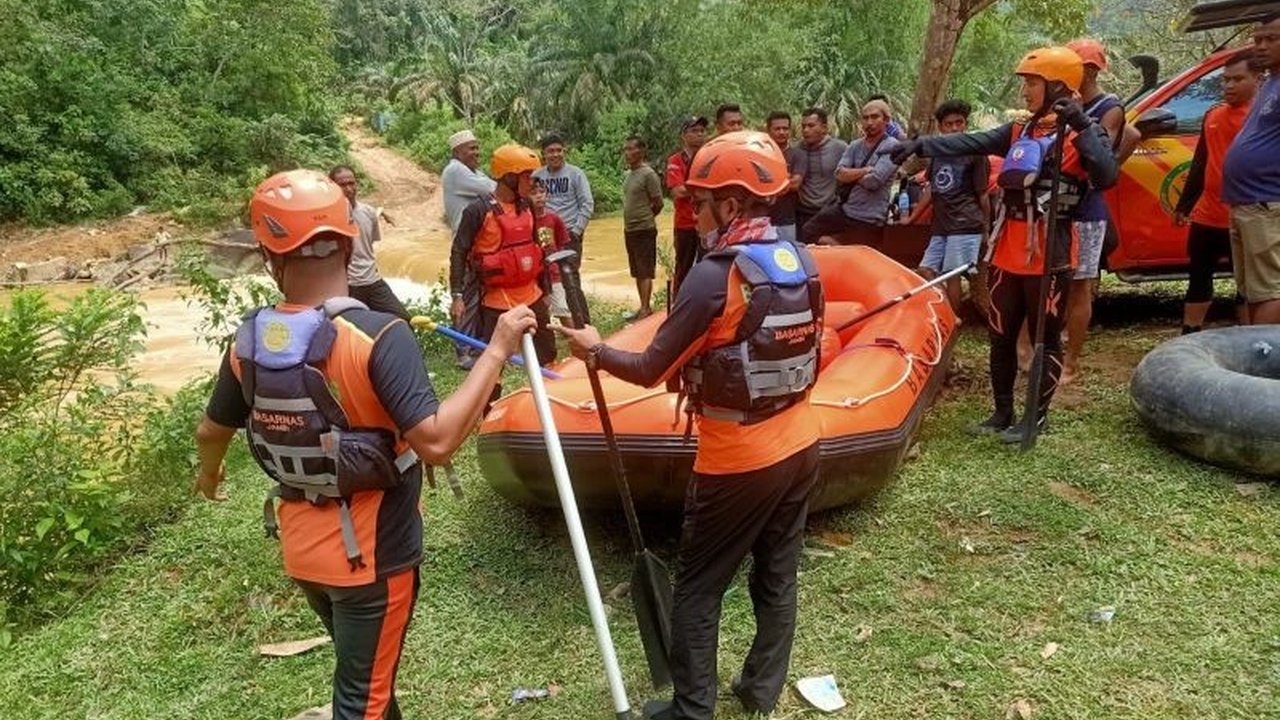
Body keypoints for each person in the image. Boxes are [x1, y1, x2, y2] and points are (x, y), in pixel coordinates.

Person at [193, 169, 537, 720]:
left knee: (371, 677)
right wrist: (496, 349)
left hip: (304, 550)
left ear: (268, 256)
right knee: (362, 702)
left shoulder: (248, 341)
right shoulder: (379, 334)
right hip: (373, 558)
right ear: (351, 239)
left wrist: (208, 476)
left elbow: (213, 432)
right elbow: (439, 441)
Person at [558, 131, 823, 720]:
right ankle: (759, 690)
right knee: (777, 575)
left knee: (698, 589)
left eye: (701, 202)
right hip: (801, 442)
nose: (694, 212)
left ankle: (691, 710)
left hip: (739, 459)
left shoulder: (714, 275)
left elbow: (650, 367)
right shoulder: (799, 260)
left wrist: (596, 350)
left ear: (730, 204)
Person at [892, 46, 1119, 441]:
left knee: (1045, 337)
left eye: (1032, 83)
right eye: (1026, 83)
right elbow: (969, 142)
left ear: (1058, 86)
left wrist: (1082, 124)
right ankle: (1002, 412)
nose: (1025, 91)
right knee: (1001, 334)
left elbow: (1106, 174)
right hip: (1007, 248)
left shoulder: (1083, 133)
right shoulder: (1020, 131)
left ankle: (1036, 418)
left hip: (1052, 251)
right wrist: (921, 146)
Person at [450, 143, 557, 373]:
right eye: (527, 176)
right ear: (509, 177)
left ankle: (544, 399)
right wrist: (457, 295)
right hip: (497, 301)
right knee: (493, 365)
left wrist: (546, 289)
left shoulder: (527, 206)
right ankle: (490, 406)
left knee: (548, 354)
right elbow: (458, 252)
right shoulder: (477, 211)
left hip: (533, 295)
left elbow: (538, 248)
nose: (532, 182)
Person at [1174, 49, 1260, 334]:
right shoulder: (1213, 115)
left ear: (1258, 79)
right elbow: (1200, 162)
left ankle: (1252, 338)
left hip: (1248, 214)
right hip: (1207, 215)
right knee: (1198, 275)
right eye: (1225, 80)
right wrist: (1185, 205)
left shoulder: (1263, 118)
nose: (1229, 86)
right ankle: (1189, 334)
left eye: (1238, 79)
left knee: (1249, 282)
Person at [1059, 38, 1130, 383]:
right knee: (1050, 280)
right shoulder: (1062, 101)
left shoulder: (1108, 107)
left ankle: (1071, 361)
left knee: (1080, 284)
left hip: (1086, 208)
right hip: (1057, 206)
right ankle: (1048, 347)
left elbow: (1101, 154)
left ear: (1087, 70)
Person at [904, 100, 990, 311]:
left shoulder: (975, 153)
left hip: (966, 223)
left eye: (959, 123)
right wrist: (912, 218)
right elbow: (932, 189)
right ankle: (948, 314)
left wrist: (986, 230)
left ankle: (953, 320)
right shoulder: (938, 153)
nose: (954, 128)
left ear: (965, 124)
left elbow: (983, 195)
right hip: (941, 225)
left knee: (952, 275)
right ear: (941, 127)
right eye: (949, 124)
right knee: (925, 269)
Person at [1222, 12, 1280, 325]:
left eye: (1272, 39)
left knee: (1270, 289)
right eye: (1258, 39)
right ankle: (1257, 356)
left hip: (1267, 201)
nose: (1261, 46)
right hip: (1247, 202)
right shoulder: (1270, 82)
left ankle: (1267, 364)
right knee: (1252, 290)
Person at [802, 100, 901, 246]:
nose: (869, 122)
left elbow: (873, 182)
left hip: (869, 218)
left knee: (858, 255)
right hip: (845, 210)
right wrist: (865, 170)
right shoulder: (855, 145)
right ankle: (838, 248)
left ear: (886, 120)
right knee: (808, 231)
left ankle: (840, 249)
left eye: (874, 117)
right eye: (865, 118)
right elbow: (839, 175)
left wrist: (850, 174)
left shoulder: (892, 146)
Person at [442, 130, 498, 368]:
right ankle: (463, 352)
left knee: (477, 297)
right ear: (457, 152)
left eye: (477, 147)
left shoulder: (472, 171)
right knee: (464, 297)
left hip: (479, 244)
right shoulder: (456, 171)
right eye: (471, 148)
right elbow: (493, 188)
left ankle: (475, 347)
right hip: (464, 243)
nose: (477, 152)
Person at [328, 166, 410, 320]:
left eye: (351, 183)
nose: (349, 189)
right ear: (332, 187)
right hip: (347, 285)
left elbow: (367, 246)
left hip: (372, 280)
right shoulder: (327, 219)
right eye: (342, 185)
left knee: (402, 320)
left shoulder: (368, 213)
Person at [533, 132, 594, 324]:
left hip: (569, 233)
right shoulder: (537, 176)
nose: (555, 154)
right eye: (551, 151)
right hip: (543, 232)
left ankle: (583, 322)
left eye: (559, 150)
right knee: (544, 275)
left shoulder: (576, 174)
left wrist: (576, 230)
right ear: (544, 154)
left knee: (570, 277)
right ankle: (550, 322)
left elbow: (587, 203)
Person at [666, 116, 710, 296]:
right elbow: (677, 192)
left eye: (702, 131)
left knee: (708, 266)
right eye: (694, 131)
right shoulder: (675, 160)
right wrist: (704, 187)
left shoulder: (709, 157)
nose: (699, 135)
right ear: (683, 135)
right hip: (685, 224)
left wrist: (691, 187)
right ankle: (678, 304)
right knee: (683, 267)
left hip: (708, 224)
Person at [621, 136, 664, 319]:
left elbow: (658, 202)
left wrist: (646, 218)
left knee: (645, 269)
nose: (628, 153)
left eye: (632, 149)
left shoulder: (649, 174)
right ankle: (642, 306)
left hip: (644, 228)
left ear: (642, 151)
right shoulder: (628, 175)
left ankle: (646, 309)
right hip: (629, 229)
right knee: (636, 270)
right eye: (626, 149)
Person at [792, 108, 848, 234]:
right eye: (804, 126)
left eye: (811, 126)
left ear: (824, 128)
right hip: (802, 212)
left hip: (828, 211)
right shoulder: (797, 149)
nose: (806, 130)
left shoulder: (840, 148)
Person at [530, 178, 574, 326]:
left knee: (563, 311)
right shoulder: (526, 220)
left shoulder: (554, 218)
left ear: (547, 195)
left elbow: (562, 245)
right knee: (541, 315)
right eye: (533, 193)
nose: (539, 196)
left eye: (542, 192)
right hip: (534, 276)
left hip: (554, 274)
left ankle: (579, 345)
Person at [766, 111, 805, 244]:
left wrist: (767, 182)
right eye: (777, 129)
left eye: (785, 128)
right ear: (768, 130)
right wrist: (784, 180)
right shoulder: (760, 154)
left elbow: (795, 185)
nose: (782, 132)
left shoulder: (798, 155)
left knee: (787, 257)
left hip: (786, 220)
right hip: (761, 220)